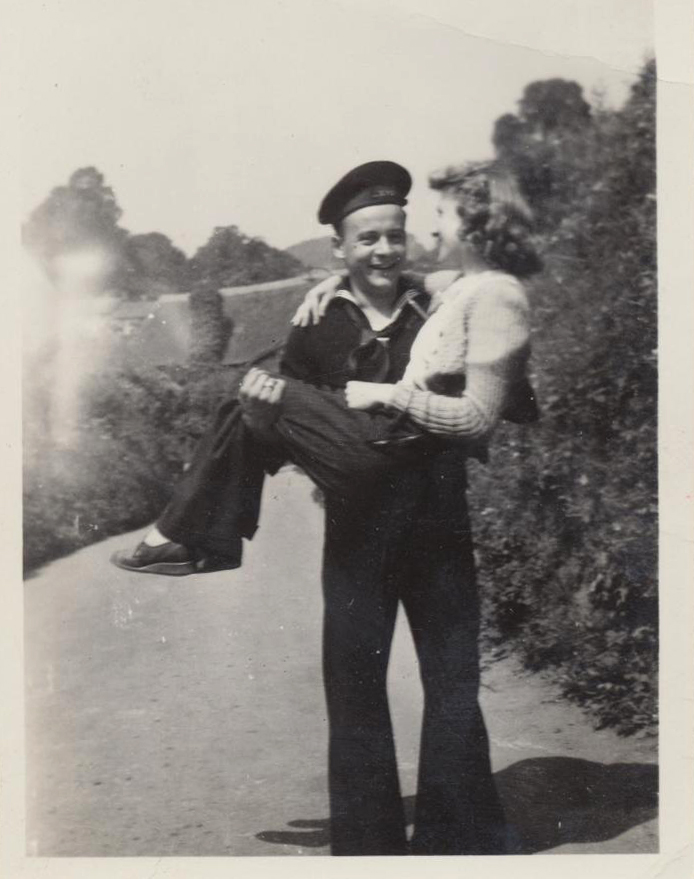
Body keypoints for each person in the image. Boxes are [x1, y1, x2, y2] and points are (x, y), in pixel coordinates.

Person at [112, 158, 541, 855]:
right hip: (357, 523)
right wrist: (261, 421)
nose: (382, 251)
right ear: (339, 249)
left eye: (393, 236)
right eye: (365, 239)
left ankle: (461, 837)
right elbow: (293, 430)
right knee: (354, 682)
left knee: (453, 676)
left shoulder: (443, 300)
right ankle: (369, 845)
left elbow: (499, 394)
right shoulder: (317, 324)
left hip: (435, 515)